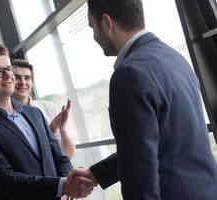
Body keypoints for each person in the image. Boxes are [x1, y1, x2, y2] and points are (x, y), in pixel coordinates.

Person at [68, 0, 217, 199]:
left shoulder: (129, 73)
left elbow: (140, 179)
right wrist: (97, 174)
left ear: (106, 22)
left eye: (92, 27)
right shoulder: (176, 59)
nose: (94, 36)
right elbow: (158, 143)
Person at [0, 42, 96, 200]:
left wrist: (69, 188)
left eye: (9, 68)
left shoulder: (35, 113)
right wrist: (64, 186)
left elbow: (60, 157)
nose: (8, 75)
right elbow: (5, 180)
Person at [11, 58, 75, 158]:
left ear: (32, 82)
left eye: (27, 78)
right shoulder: (7, 116)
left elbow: (68, 155)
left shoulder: (49, 107)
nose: (23, 82)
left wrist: (63, 129)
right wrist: (49, 133)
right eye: (17, 78)